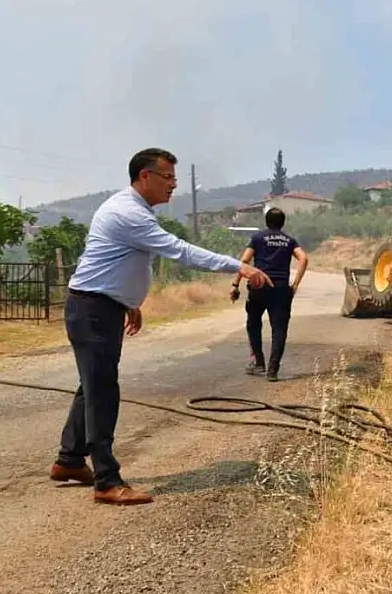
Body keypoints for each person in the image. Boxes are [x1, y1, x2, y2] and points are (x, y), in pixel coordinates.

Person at [50, 148, 272, 506]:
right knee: (102, 390)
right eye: (167, 177)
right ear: (144, 177)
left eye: (174, 179)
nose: (172, 186)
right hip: (92, 309)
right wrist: (238, 267)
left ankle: (69, 460)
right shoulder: (128, 214)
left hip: (98, 306)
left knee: (92, 385)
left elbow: (119, 261)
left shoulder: (134, 210)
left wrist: (127, 302)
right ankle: (106, 480)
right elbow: (180, 251)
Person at [231, 206, 308, 381]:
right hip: (280, 289)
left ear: (266, 221)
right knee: (279, 329)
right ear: (283, 223)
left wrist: (235, 284)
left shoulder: (258, 238)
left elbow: (244, 261)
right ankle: (273, 371)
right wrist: (294, 285)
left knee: (253, 323)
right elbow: (303, 258)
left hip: (259, 286)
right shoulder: (289, 241)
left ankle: (259, 363)